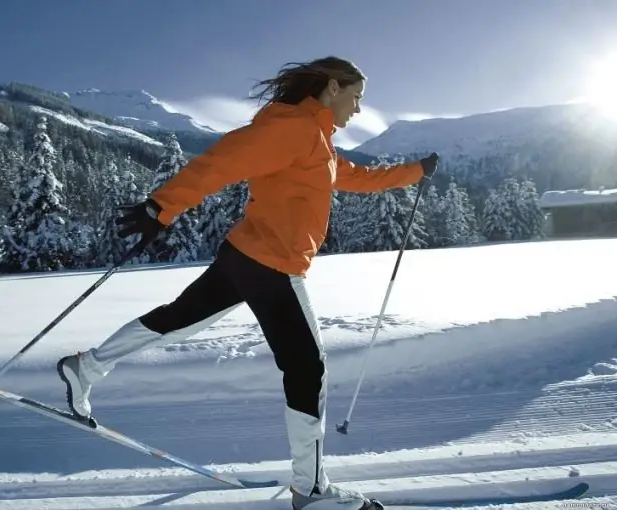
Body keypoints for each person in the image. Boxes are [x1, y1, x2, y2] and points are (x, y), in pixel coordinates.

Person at [57, 56, 438, 510]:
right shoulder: (294, 129)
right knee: (306, 369)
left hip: (244, 257)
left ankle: (87, 367)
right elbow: (225, 160)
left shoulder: (317, 141)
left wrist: (416, 171)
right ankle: (311, 490)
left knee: (176, 320)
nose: (357, 109)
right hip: (273, 267)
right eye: (355, 97)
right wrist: (162, 206)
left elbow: (359, 178)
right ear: (332, 88)